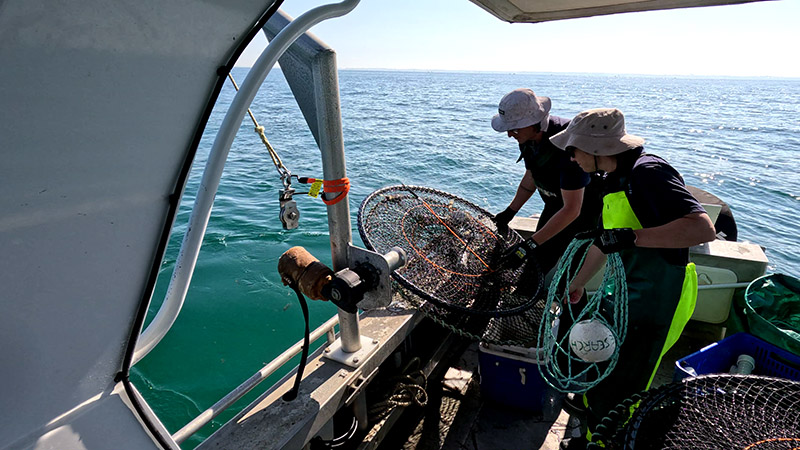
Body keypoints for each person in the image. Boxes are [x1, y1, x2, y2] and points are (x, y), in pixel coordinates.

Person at [548, 108, 717, 449]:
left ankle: (606, 442)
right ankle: (592, 422)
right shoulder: (611, 180)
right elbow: (604, 240)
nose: (570, 157)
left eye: (573, 149)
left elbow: (702, 228)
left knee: (628, 381)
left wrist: (632, 238)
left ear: (597, 149)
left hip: (661, 296)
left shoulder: (648, 172)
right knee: (605, 363)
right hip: (627, 289)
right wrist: (577, 283)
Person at [491, 88, 601, 275]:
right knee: (533, 269)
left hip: (584, 213)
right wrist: (510, 212)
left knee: (570, 278)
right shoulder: (527, 137)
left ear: (535, 123)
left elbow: (572, 209)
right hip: (554, 206)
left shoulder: (568, 143)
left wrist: (528, 246)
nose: (510, 134)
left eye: (514, 128)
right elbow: (531, 178)